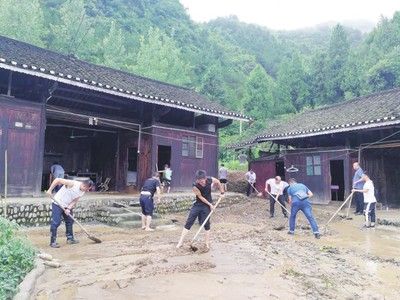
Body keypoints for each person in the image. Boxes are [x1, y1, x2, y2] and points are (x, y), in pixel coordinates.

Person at [176, 170, 224, 249]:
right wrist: (210, 204)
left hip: (206, 206)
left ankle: (206, 243)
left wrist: (222, 192)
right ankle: (180, 242)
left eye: (202, 181)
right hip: (198, 205)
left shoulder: (210, 180)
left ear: (205, 178)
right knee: (189, 222)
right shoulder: (195, 186)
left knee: (206, 224)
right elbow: (200, 197)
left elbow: (218, 182)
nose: (201, 182)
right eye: (199, 181)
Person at [46, 178, 94, 248]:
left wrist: (68, 208)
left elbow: (75, 200)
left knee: (70, 221)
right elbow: (57, 180)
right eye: (87, 189)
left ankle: (70, 239)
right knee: (56, 222)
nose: (87, 191)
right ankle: (52, 242)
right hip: (57, 203)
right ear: (84, 185)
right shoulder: (72, 184)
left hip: (67, 205)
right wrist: (50, 190)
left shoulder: (83, 191)